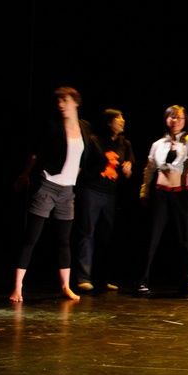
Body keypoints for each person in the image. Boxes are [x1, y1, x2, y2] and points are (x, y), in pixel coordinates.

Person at [9, 87, 95, 302]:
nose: (60, 105)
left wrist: (76, 177)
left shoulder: (84, 127)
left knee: (64, 241)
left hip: (67, 191)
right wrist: (25, 174)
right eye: (58, 101)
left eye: (65, 100)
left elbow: (83, 157)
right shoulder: (54, 126)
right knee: (31, 238)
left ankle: (66, 286)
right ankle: (17, 287)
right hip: (47, 186)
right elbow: (36, 153)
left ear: (76, 102)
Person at [134, 105, 188, 295]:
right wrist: (144, 192)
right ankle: (141, 281)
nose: (175, 121)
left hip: (181, 195)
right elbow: (149, 170)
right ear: (166, 120)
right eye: (171, 117)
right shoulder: (158, 144)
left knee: (183, 239)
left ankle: (186, 282)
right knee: (152, 238)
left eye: (179, 117)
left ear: (185, 121)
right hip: (160, 194)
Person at [74, 108, 135, 292]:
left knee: (106, 236)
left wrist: (128, 170)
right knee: (87, 233)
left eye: (123, 118)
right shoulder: (94, 140)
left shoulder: (125, 144)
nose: (122, 121)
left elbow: (129, 172)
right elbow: (83, 164)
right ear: (109, 122)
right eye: (118, 118)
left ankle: (102, 279)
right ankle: (83, 277)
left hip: (110, 194)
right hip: (92, 191)